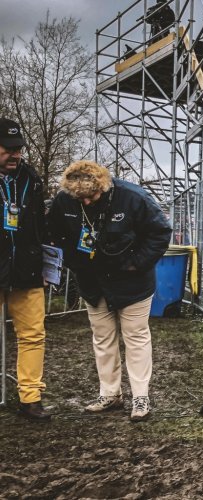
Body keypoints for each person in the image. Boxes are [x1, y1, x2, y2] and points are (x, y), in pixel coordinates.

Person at [47, 160, 172, 422]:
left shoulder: (132, 197)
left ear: (102, 187)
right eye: (80, 197)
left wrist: (136, 263)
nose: (87, 202)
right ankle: (110, 393)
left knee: (136, 337)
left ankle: (141, 397)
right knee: (102, 338)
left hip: (132, 282)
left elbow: (160, 232)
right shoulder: (64, 201)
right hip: (93, 282)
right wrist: (73, 260)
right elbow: (54, 233)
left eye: (91, 195)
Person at [0, 118, 49, 421]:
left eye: (19, 149)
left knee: (33, 335)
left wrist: (44, 263)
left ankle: (30, 398)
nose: (16, 155)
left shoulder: (31, 178)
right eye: (8, 149)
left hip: (27, 272)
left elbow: (39, 227)